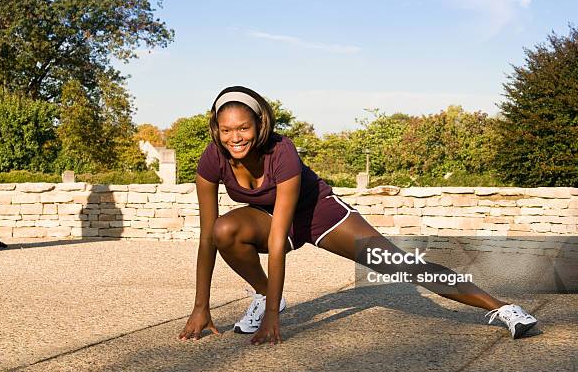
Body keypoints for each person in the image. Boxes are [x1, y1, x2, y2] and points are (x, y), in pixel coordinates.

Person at [178, 86, 538, 345]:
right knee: (224, 229)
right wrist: (201, 307)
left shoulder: (282, 151)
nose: (235, 137)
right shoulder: (213, 157)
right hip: (266, 218)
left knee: (399, 263)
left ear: (260, 124)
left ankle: (505, 309)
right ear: (216, 129)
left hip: (319, 214)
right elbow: (208, 236)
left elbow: (277, 240)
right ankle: (264, 294)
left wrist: (273, 318)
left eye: (243, 127)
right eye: (226, 130)